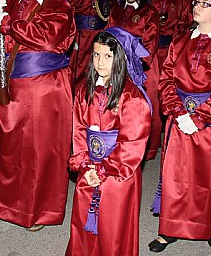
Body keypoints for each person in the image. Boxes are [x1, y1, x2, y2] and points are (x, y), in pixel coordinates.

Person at [0, 0, 76, 231]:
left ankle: (37, 211)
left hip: (43, 88)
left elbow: (45, 38)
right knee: (6, 148)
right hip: (8, 81)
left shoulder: (58, 5)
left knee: (39, 150)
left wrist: (7, 22)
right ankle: (6, 203)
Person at [149, 0, 211, 252]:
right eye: (196, 2)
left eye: (204, 3)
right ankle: (170, 228)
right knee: (175, 175)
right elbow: (166, 78)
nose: (196, 7)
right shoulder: (180, 41)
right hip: (180, 118)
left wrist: (200, 118)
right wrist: (178, 112)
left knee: (210, 177)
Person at [65, 28, 152, 256]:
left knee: (112, 230)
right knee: (84, 223)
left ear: (120, 59)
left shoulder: (132, 97)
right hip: (90, 168)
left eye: (107, 56)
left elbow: (131, 143)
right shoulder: (86, 90)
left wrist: (104, 170)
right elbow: (79, 131)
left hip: (117, 174)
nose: (100, 62)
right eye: (95, 55)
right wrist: (86, 165)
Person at [107, 0, 160, 161]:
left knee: (145, 105)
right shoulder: (116, 10)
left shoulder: (149, 12)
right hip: (117, 63)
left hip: (142, 66)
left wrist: (134, 65)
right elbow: (108, 35)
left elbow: (150, 43)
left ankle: (148, 148)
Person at [66, 0, 109, 87]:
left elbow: (106, 12)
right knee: (78, 68)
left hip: (98, 35)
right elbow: (67, 13)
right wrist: (71, 37)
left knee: (96, 65)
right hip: (81, 36)